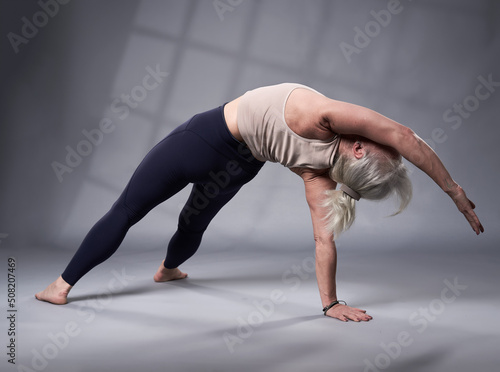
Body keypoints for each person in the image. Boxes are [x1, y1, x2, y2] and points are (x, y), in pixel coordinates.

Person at [35, 83, 484, 322]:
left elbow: (405, 136)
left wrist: (455, 193)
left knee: (127, 211)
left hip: (203, 140)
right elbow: (324, 241)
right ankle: (168, 269)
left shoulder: (325, 119)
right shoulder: (320, 178)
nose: (381, 139)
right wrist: (329, 304)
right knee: (194, 223)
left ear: (361, 151)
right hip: (241, 167)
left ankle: (61, 287)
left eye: (378, 146)